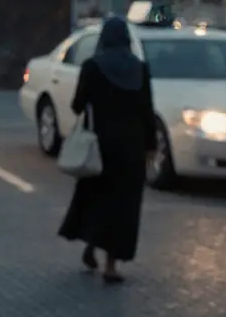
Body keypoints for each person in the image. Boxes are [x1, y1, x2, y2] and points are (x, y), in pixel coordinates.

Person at [57, 16, 156, 284]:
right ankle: (111, 264)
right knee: (123, 206)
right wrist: (151, 146)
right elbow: (147, 110)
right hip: (131, 146)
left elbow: (78, 105)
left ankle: (91, 245)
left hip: (101, 144)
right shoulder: (140, 69)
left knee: (96, 198)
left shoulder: (92, 67)